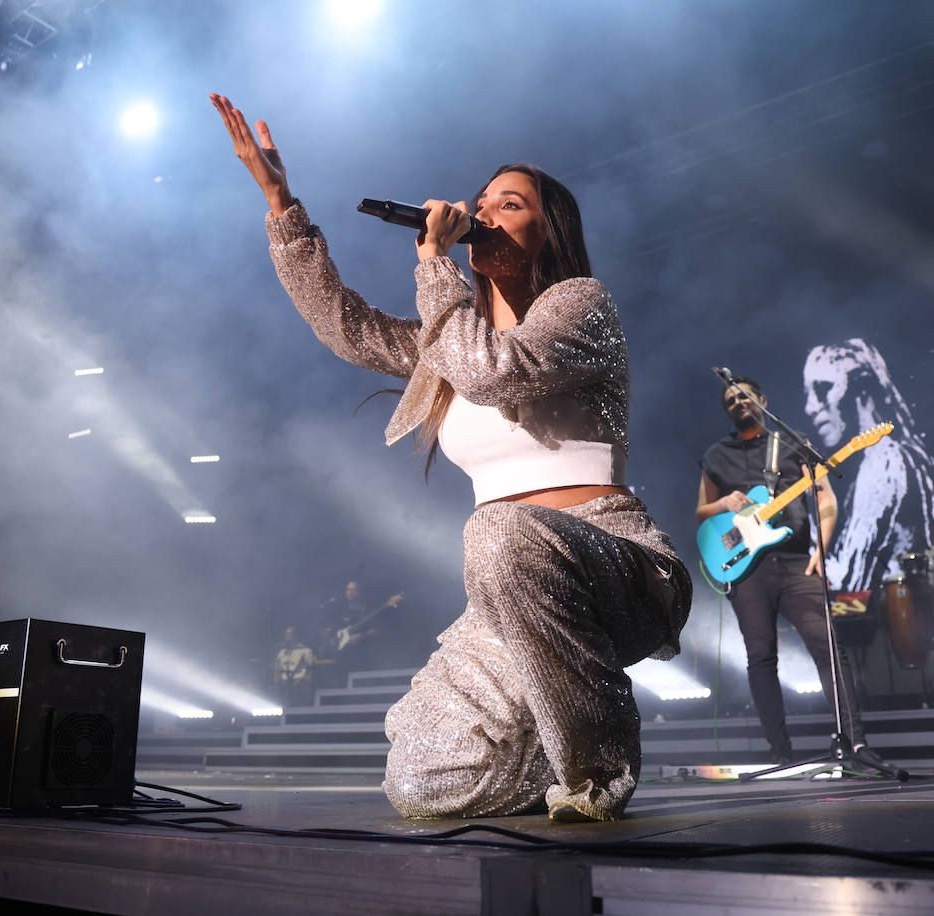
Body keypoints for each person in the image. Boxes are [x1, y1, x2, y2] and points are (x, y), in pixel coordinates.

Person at [211, 94, 691, 821]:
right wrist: (282, 206)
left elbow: (498, 372)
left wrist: (433, 262)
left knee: (496, 531)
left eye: (511, 203)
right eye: (482, 203)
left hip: (616, 568)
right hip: (509, 596)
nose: (487, 212)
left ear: (547, 229)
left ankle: (599, 769)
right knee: (420, 781)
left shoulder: (580, 304)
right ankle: (550, 742)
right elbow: (347, 328)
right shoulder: (447, 341)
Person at [698, 377, 872, 765]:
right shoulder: (716, 455)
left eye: (743, 395)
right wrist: (724, 502)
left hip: (797, 561)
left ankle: (856, 744)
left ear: (762, 400)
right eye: (729, 400)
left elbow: (824, 494)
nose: (737, 402)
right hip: (747, 569)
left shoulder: (793, 443)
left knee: (828, 647)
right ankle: (781, 755)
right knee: (761, 657)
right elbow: (701, 512)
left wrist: (821, 549)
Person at [802, 338, 934, 593]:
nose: (810, 407)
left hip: (896, 606)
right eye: (808, 395)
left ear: (862, 391)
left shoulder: (884, 463)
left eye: (823, 389)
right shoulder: (888, 457)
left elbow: (848, 582)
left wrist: (802, 529)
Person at [272, 625, 315, 708]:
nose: (288, 638)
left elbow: (310, 671)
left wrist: (299, 682)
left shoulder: (306, 651)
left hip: (300, 687)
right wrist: (277, 684)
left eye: (290, 635)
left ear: (296, 636)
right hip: (283, 688)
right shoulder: (282, 652)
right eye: (286, 635)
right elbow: (276, 670)